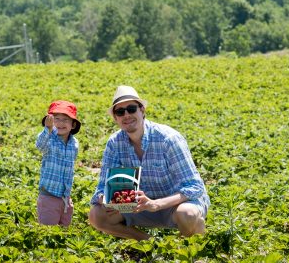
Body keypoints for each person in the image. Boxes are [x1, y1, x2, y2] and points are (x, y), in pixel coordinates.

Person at [89, 85, 210, 240]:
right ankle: (151, 244)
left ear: (142, 110)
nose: (126, 115)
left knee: (187, 213)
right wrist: (109, 200)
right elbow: (101, 188)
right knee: (96, 215)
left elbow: (194, 187)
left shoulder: (168, 139)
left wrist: (156, 204)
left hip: (174, 205)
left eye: (131, 109)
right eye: (120, 112)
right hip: (140, 207)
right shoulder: (114, 143)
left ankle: (193, 250)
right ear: (115, 118)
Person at [36, 100, 81, 226]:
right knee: (48, 232)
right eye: (56, 119)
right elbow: (40, 146)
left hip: (66, 197)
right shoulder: (49, 138)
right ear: (49, 121)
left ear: (73, 124)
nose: (60, 123)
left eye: (65, 120)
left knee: (64, 232)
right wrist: (48, 129)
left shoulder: (74, 143)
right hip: (49, 196)